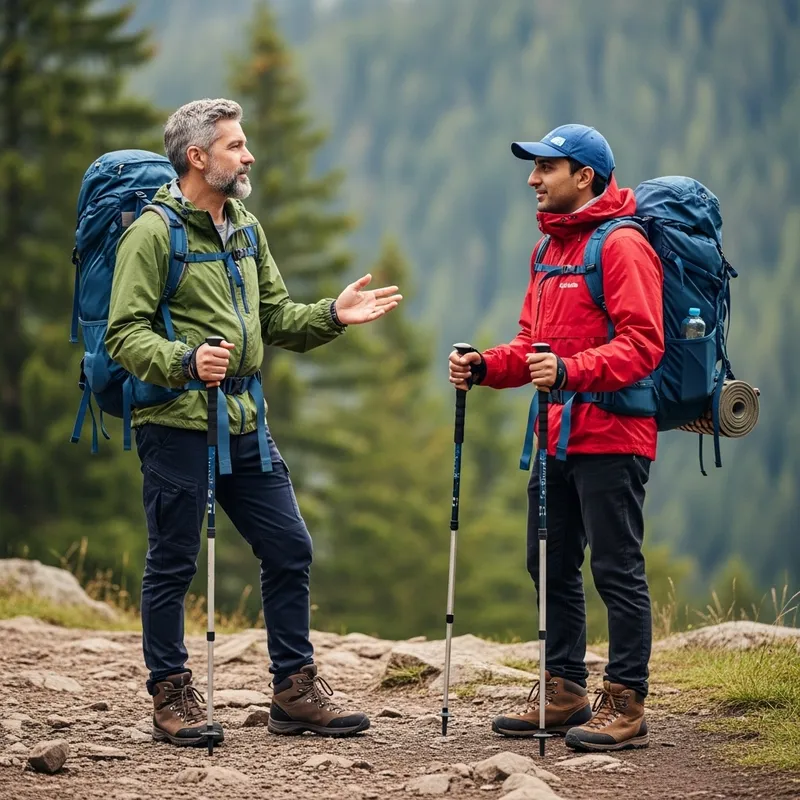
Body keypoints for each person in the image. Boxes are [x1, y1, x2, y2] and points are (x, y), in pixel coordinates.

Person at [107, 98, 402, 747]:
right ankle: (171, 693)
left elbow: (273, 319)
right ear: (197, 156)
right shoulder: (153, 234)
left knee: (289, 546)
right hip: (177, 422)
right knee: (173, 562)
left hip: (244, 420)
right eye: (236, 146)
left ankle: (294, 691)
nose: (248, 156)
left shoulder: (245, 229)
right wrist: (185, 361)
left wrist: (332, 314)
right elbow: (121, 334)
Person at [448, 124, 663, 751]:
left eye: (546, 168)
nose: (533, 179)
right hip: (557, 435)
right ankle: (564, 687)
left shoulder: (621, 246)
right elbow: (530, 348)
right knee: (546, 561)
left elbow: (644, 345)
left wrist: (571, 371)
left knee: (616, 568)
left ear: (584, 177)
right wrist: (486, 365)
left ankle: (625, 699)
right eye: (534, 168)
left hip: (614, 433)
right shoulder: (549, 251)